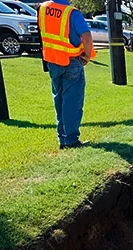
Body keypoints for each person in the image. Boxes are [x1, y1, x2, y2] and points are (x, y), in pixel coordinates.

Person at [38, 0, 95, 149]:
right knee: (72, 102)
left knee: (59, 100)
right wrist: (87, 56)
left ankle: (62, 140)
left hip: (52, 61)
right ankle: (71, 140)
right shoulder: (71, 13)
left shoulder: (42, 9)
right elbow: (86, 37)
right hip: (71, 62)